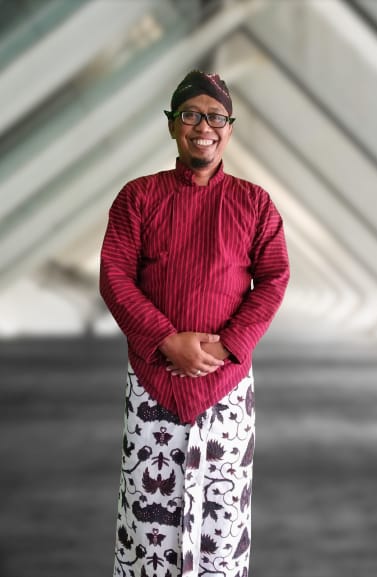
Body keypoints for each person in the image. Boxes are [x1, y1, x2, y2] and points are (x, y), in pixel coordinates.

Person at [100, 69, 289, 577]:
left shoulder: (255, 204)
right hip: (153, 382)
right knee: (149, 521)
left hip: (227, 386)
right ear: (171, 125)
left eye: (215, 117)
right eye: (190, 115)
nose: (203, 127)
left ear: (229, 128)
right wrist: (166, 340)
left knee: (221, 524)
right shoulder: (137, 197)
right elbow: (114, 277)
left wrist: (227, 348)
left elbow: (274, 279)